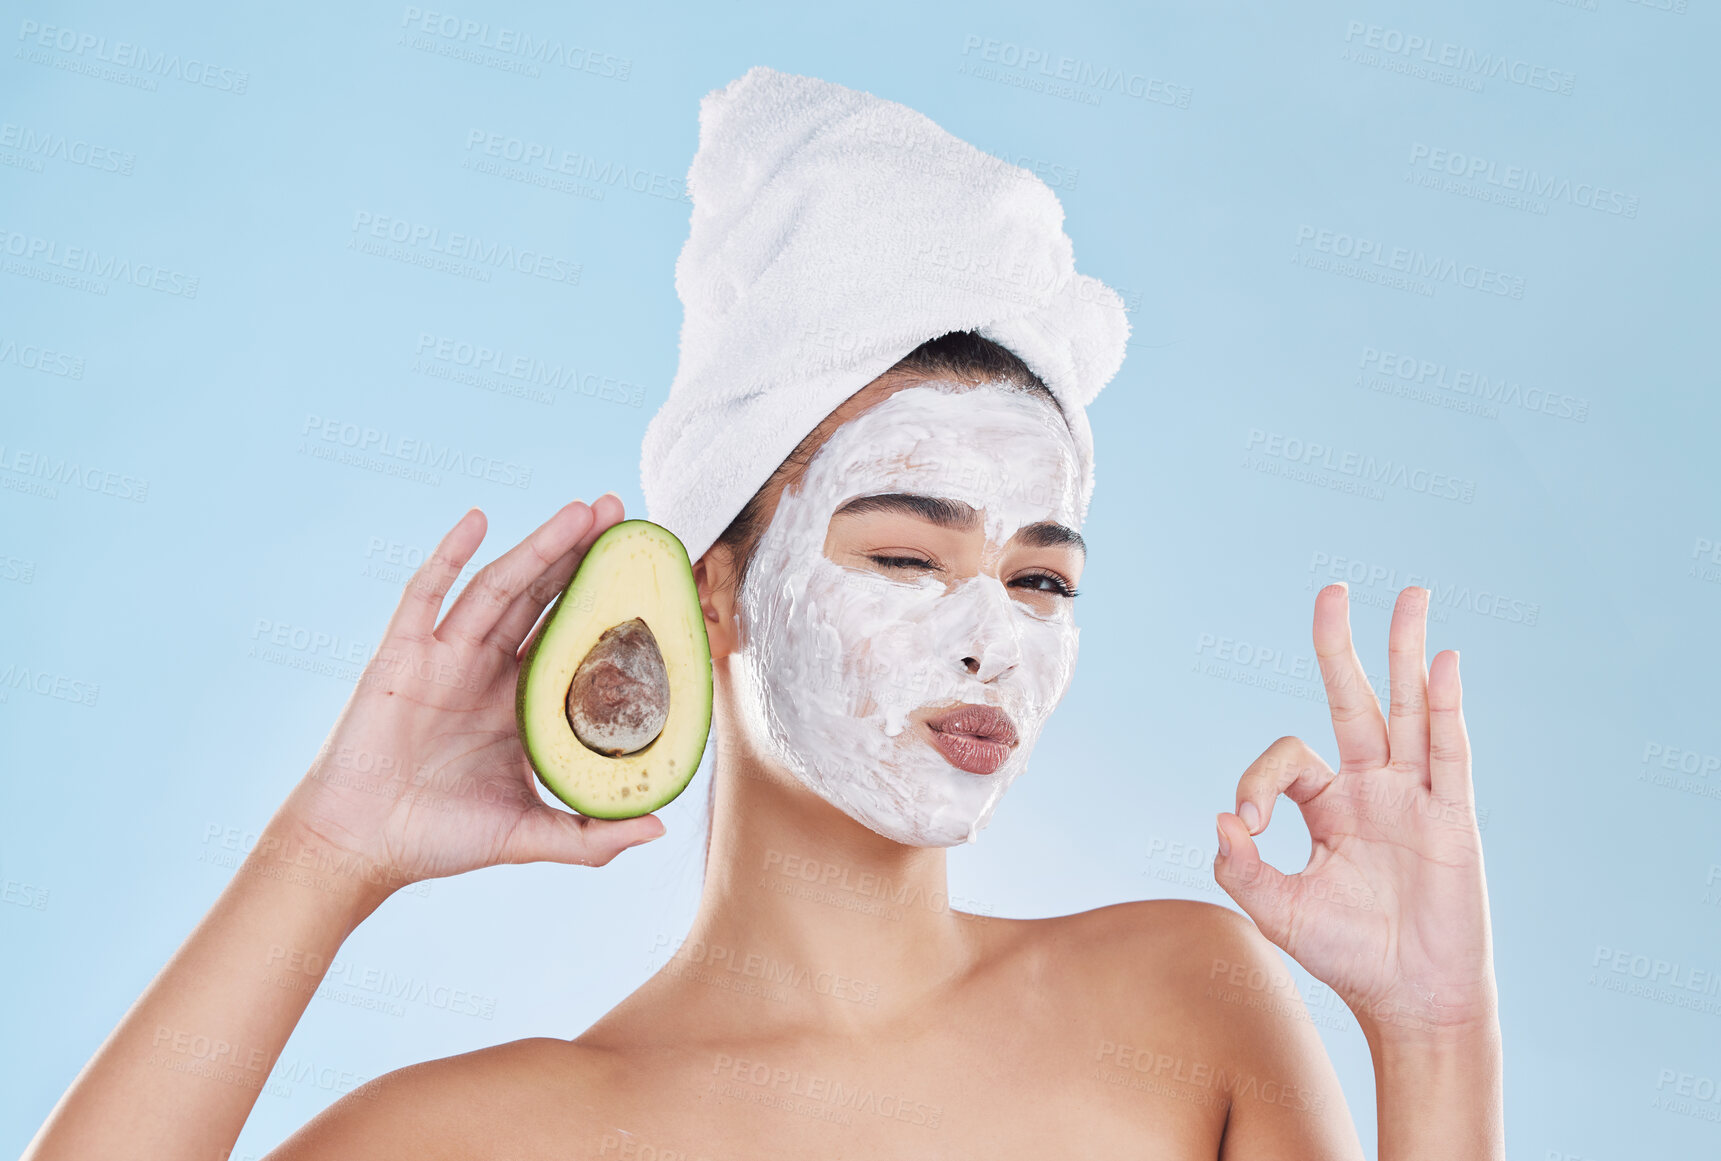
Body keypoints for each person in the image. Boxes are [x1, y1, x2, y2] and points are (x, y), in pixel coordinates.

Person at [23, 67, 1504, 1161]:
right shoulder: (491, 1133)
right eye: (906, 554)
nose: (990, 633)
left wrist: (1433, 1030)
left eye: (1041, 576)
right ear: (714, 589)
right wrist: (324, 854)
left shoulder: (1182, 995)